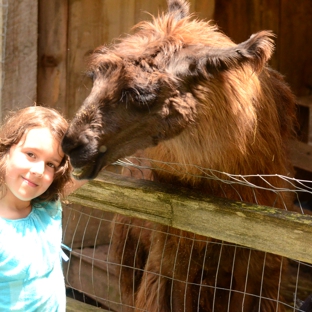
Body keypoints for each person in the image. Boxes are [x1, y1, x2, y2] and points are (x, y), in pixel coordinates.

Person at [0, 106, 85, 311]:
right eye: (30, 154)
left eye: (51, 164)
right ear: (6, 150)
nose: (38, 170)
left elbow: (89, 166)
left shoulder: (48, 206)